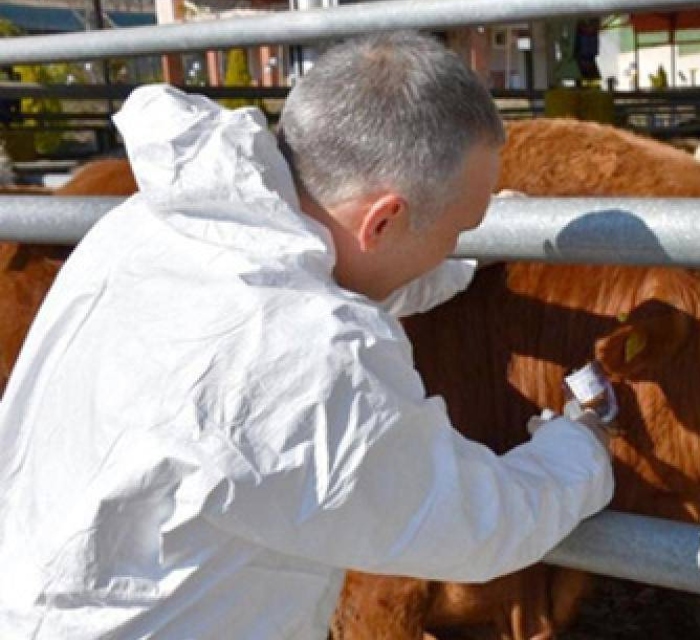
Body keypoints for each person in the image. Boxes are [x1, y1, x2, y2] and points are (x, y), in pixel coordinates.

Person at [0, 31, 614, 638]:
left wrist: (450, 268)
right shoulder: (310, 359)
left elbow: (321, 275)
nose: (460, 245)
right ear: (387, 218)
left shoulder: (156, 226)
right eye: (461, 229)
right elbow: (475, 524)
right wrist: (579, 447)